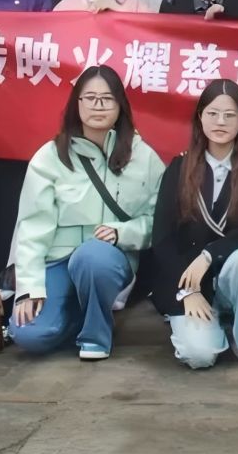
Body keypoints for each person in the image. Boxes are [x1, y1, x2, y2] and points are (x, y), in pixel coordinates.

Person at [9, 66, 165, 359]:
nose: (98, 105)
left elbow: (159, 221)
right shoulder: (50, 156)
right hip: (57, 260)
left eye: (107, 98)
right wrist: (29, 287)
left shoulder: (143, 157)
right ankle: (78, 317)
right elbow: (31, 227)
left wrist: (123, 233)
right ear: (76, 104)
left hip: (107, 259)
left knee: (92, 257)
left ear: (120, 105)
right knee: (28, 334)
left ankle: (95, 336)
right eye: (90, 98)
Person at [151, 80, 238, 369]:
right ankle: (214, 329)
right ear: (200, 117)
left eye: (230, 115)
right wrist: (188, 291)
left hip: (237, 280)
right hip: (190, 284)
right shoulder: (180, 167)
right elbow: (162, 239)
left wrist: (210, 254)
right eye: (212, 113)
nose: (220, 122)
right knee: (199, 356)